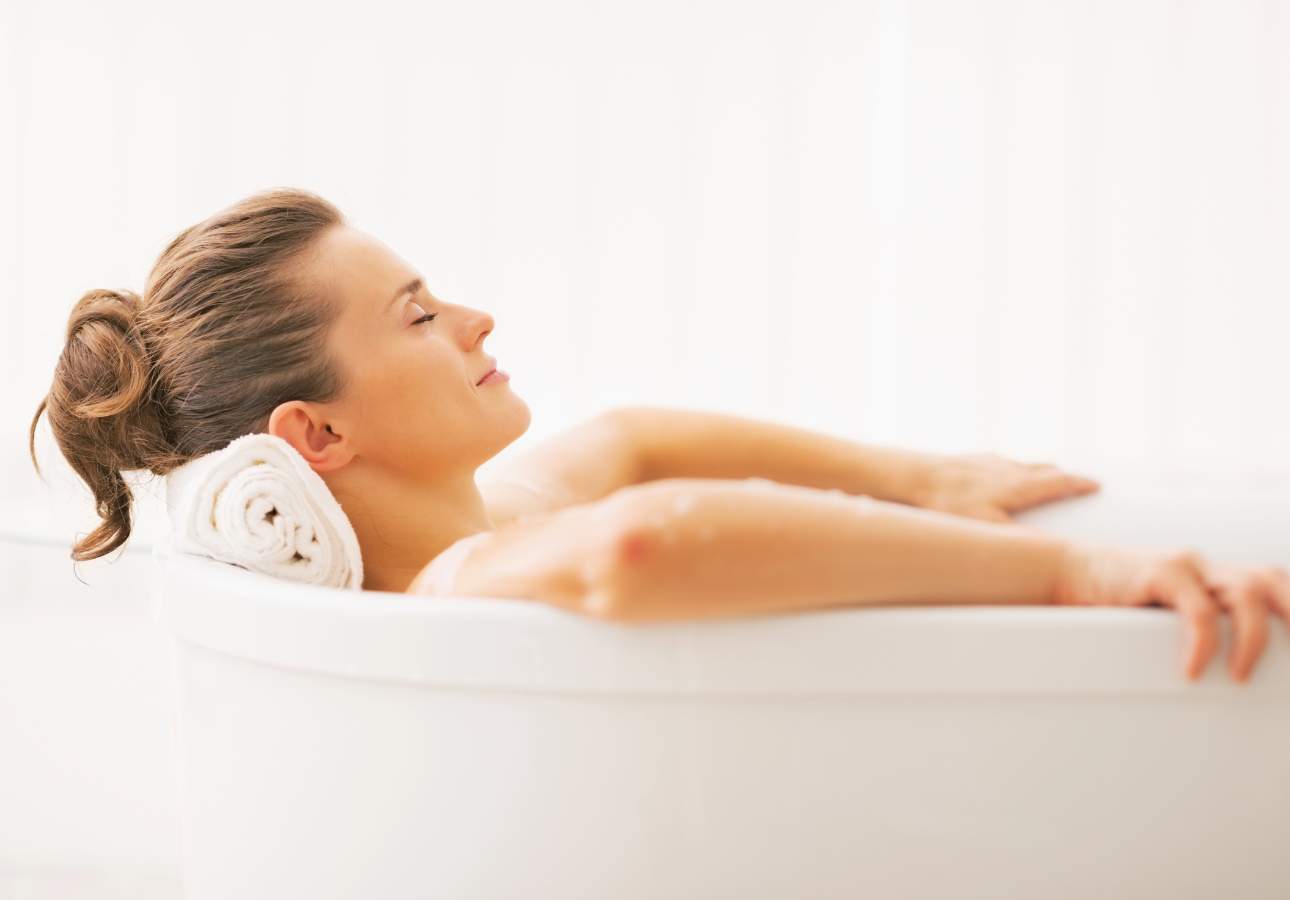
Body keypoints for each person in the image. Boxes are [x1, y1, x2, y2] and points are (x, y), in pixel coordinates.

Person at [30, 187, 1289, 684]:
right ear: (316, 435)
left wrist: (919, 475)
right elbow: (639, 546)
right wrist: (1076, 574)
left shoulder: (495, 515)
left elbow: (632, 442)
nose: (474, 318)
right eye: (417, 314)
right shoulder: (459, 580)